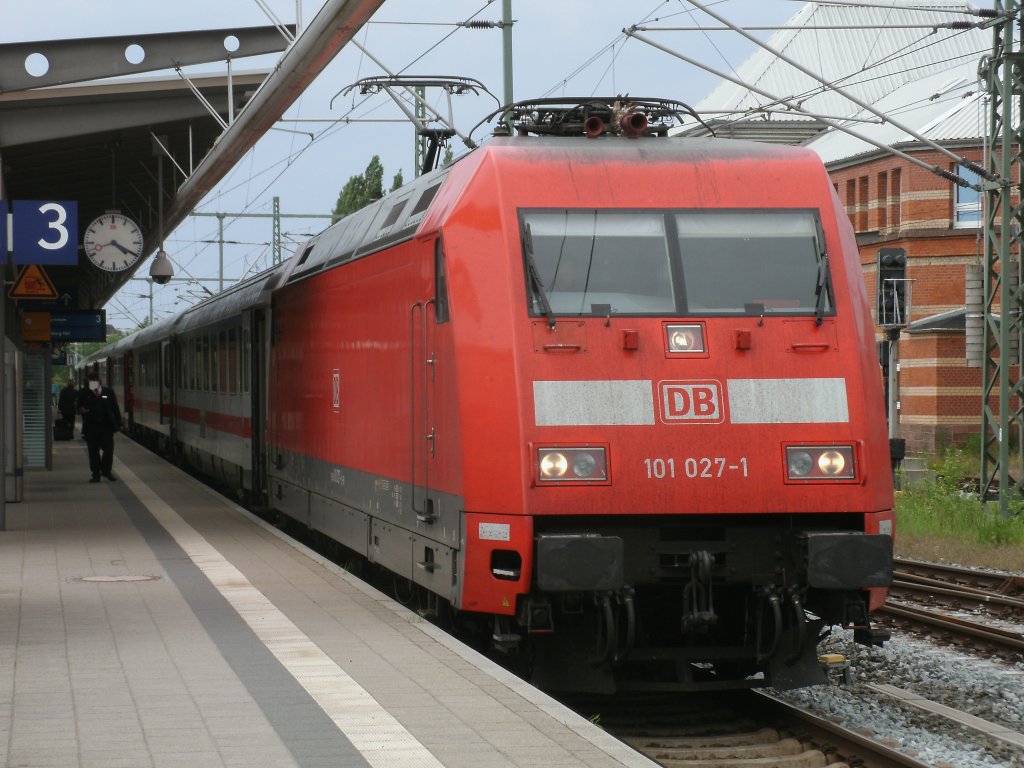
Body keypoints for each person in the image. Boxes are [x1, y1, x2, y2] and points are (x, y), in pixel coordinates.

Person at [77, 372, 123, 483]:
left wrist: (119, 422)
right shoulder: (84, 393)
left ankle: (106, 471)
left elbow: (115, 408)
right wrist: (82, 409)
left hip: (106, 427)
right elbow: (79, 407)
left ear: (99, 381)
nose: (94, 383)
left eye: (96, 381)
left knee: (108, 450)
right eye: (91, 381)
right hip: (91, 427)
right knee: (93, 452)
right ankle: (96, 474)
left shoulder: (108, 392)